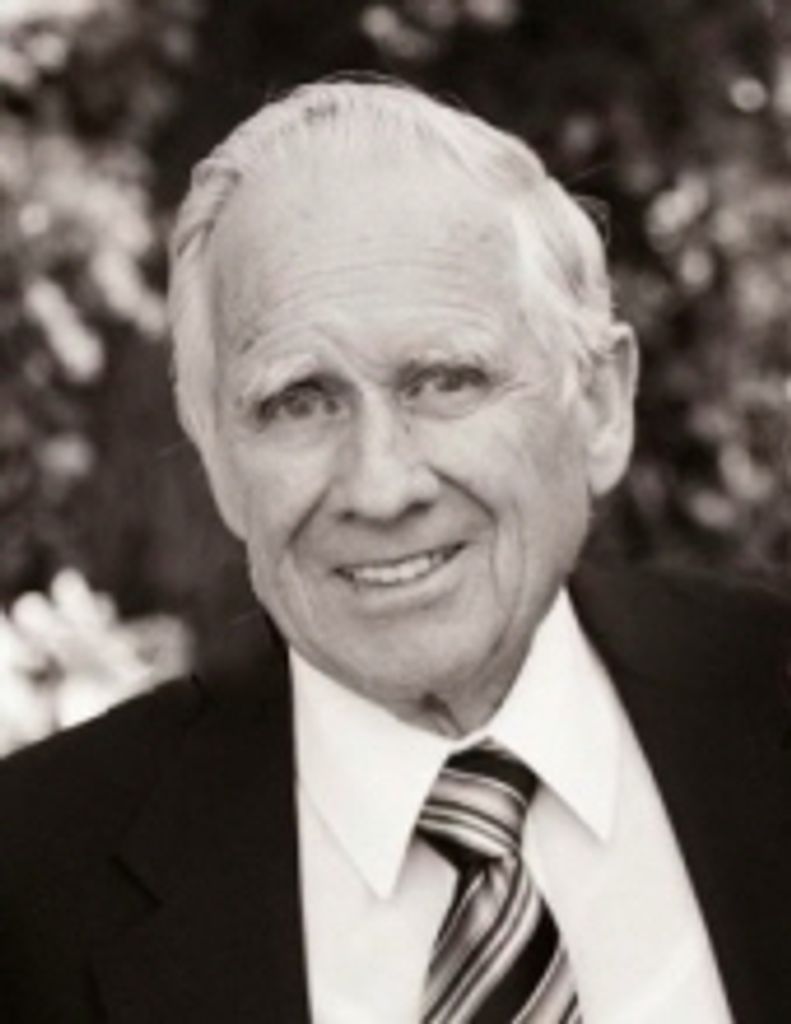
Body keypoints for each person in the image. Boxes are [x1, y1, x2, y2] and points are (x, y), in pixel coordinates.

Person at [1, 79, 789, 1024]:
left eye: (445, 381)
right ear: (215, 456)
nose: (379, 487)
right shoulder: (31, 885)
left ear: (599, 405)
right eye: (298, 402)